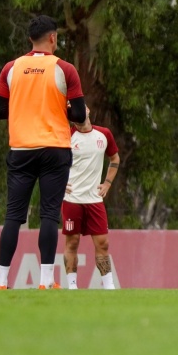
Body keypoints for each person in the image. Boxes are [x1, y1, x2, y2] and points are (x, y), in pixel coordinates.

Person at [0, 15, 86, 290]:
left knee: (13, 215)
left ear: (30, 39)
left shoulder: (11, 68)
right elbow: (80, 115)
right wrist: (61, 109)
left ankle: (1, 280)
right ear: (53, 38)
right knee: (49, 214)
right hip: (55, 149)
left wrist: (23, 107)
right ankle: (45, 280)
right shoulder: (65, 69)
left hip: (21, 148)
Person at [61, 107, 119, 290]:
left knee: (103, 243)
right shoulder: (66, 136)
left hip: (94, 200)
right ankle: (72, 287)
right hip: (72, 199)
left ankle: (109, 287)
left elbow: (115, 159)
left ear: (87, 110)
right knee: (72, 242)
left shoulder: (104, 134)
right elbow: (52, 163)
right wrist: (59, 183)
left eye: (79, 108)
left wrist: (107, 183)